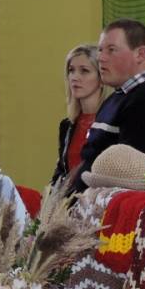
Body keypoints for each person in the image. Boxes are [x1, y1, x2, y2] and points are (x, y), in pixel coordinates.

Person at [72, 19, 145, 192]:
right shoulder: (118, 98)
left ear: (140, 54)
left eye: (111, 50)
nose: (101, 57)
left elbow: (131, 180)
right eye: (100, 50)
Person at [51, 44, 108, 188]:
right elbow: (61, 173)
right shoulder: (67, 126)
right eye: (71, 70)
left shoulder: (112, 124)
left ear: (102, 79)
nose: (75, 77)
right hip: (70, 199)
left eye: (84, 71)